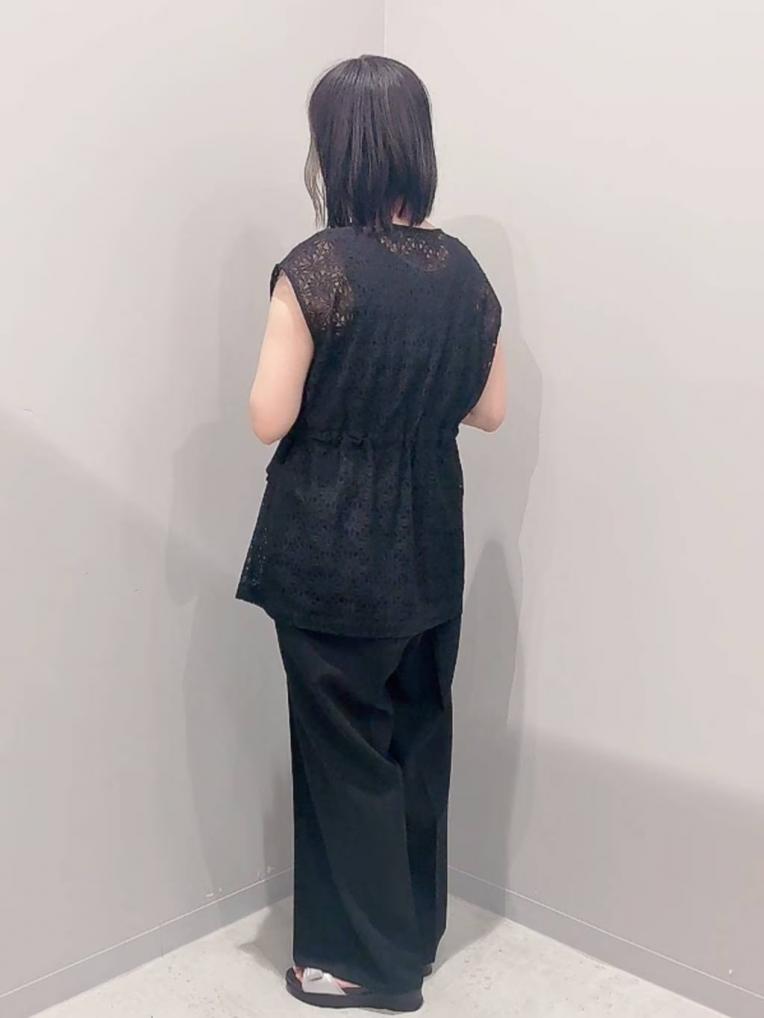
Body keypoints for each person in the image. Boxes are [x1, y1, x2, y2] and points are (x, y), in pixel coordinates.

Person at [236, 53, 505, 1012]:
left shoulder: (316, 268)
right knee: (417, 742)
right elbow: (490, 411)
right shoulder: (465, 272)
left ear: (334, 149)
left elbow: (268, 416)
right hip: (430, 541)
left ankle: (364, 968)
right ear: (415, 146)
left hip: (332, 551)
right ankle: (412, 939)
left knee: (344, 759)